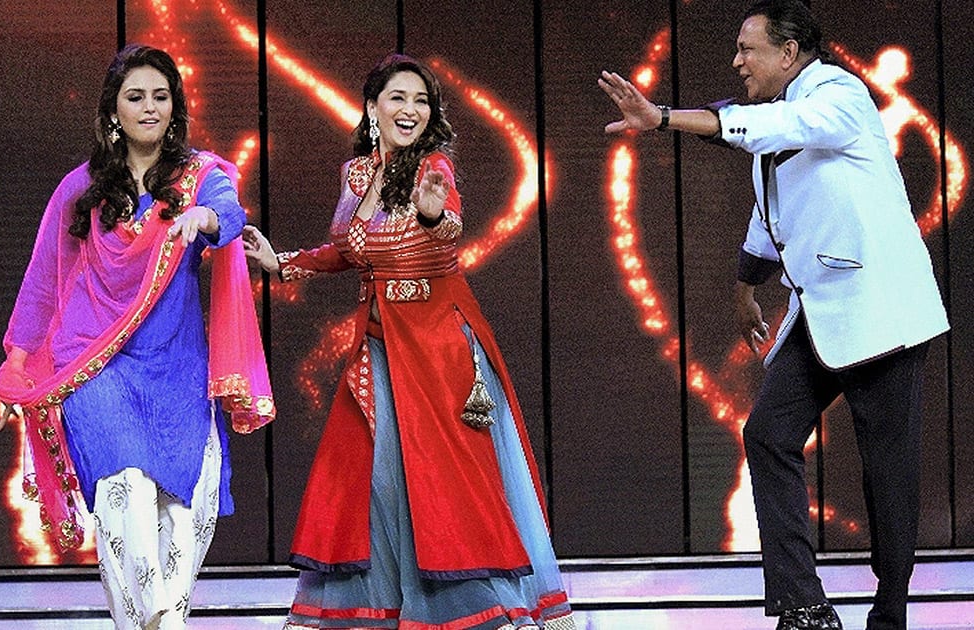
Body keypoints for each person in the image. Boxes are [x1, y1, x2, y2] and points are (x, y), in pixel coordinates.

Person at [599, 1, 948, 629]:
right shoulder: (780, 120)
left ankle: (890, 612)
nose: (736, 61)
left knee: (885, 472)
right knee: (767, 435)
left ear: (789, 53)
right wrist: (745, 285)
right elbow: (771, 213)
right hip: (819, 313)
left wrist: (662, 119)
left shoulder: (839, 95)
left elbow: (774, 127)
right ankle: (805, 606)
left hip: (881, 314)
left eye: (747, 48)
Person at [243, 52, 575, 629]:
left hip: (438, 349)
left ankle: (477, 606)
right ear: (373, 108)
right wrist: (284, 264)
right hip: (378, 347)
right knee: (372, 481)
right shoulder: (357, 175)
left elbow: (447, 234)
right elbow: (351, 248)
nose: (410, 110)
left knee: (447, 480)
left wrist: (429, 218)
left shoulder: (435, 168)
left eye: (421, 101)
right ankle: (384, 605)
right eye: (398, 98)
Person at [0, 44, 273, 629]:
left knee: (182, 517)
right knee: (126, 496)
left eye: (160, 96)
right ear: (113, 111)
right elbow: (44, 281)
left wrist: (205, 219)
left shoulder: (200, 177)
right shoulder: (81, 189)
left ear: (175, 108)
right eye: (135, 96)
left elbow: (230, 213)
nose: (149, 107)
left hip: (177, 369)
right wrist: (18, 363)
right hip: (96, 365)